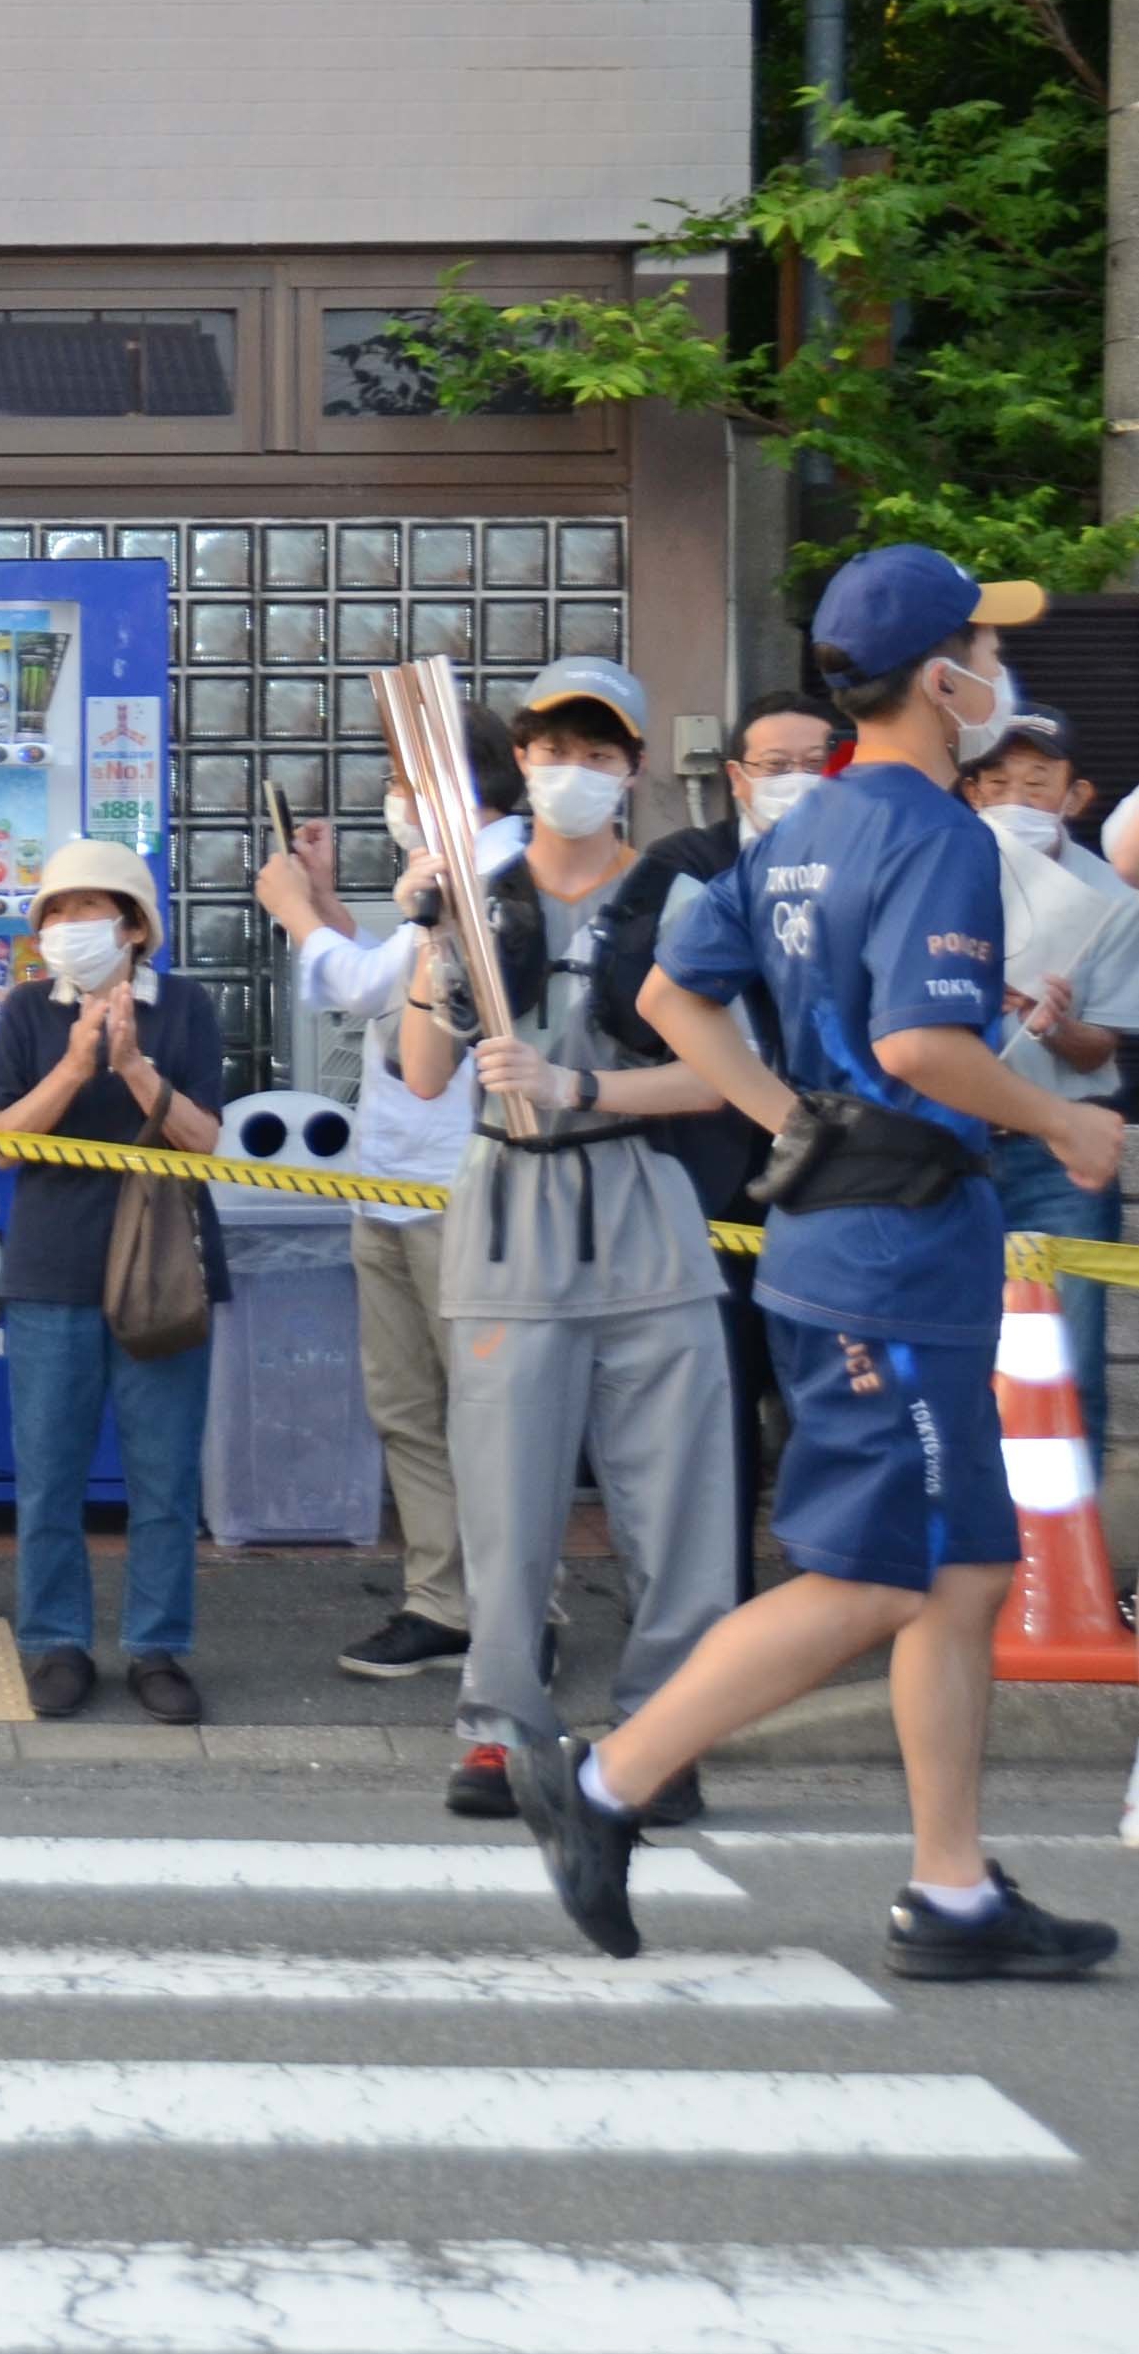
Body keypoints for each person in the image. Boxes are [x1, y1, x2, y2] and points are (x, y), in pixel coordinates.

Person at [536, 543, 1122, 1980]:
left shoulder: (799, 826)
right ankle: (605, 1780)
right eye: (986, 650)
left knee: (970, 1567)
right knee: (873, 1576)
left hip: (855, 1232)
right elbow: (926, 1043)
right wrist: (1066, 1121)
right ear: (940, 678)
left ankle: (953, 1890)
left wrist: (786, 1116)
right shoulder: (933, 833)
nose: (999, 675)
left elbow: (673, 991)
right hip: (888, 1253)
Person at [400, 657, 735, 1824]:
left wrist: (576, 1081)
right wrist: (430, 939)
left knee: (677, 1500)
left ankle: (660, 1733)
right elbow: (424, 1070)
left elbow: (714, 1079)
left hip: (640, 1205)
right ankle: (499, 1726)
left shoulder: (677, 900)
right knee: (502, 1498)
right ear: (521, 762)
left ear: (633, 769)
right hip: (505, 1213)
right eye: (551, 749)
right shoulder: (475, 892)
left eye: (598, 753)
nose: (572, 771)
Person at [254, 705, 522, 1684]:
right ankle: (441, 1600)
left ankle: (509, 1606)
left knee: (487, 1413)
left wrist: (293, 913)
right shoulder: (443, 874)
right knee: (408, 1407)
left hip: (468, 1186)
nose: (391, 800)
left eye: (404, 781)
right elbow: (387, 974)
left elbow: (367, 989)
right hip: (393, 1178)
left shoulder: (497, 873)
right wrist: (326, 906)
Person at [585, 690, 841, 1603]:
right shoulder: (686, 864)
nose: (796, 782)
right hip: (712, 1176)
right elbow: (630, 1005)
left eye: (815, 762)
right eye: (774, 766)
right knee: (719, 1407)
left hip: (845, 1179)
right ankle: (718, 1609)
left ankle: (834, 1600)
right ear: (735, 777)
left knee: (835, 1406)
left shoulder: (879, 867)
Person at [0, 840, 226, 1723]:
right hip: (49, 1266)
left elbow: (206, 1140)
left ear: (132, 926)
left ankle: (156, 1646)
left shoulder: (187, 1006)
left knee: (162, 1475)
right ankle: (54, 1640)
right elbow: (2, 1139)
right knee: (48, 1473)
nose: (70, 928)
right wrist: (78, 1061)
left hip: (164, 1269)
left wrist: (131, 1063)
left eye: (91, 910)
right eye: (56, 912)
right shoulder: (23, 1011)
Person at [960, 704, 1139, 1467]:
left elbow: (1102, 1045)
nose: (1016, 797)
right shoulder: (936, 874)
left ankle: (1071, 1575)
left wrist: (1053, 1018)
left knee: (1068, 1369)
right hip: (948, 1148)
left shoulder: (1111, 899)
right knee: (956, 1364)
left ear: (1075, 795)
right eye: (997, 781)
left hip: (1054, 1158)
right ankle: (966, 1570)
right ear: (970, 793)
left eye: (1037, 782)